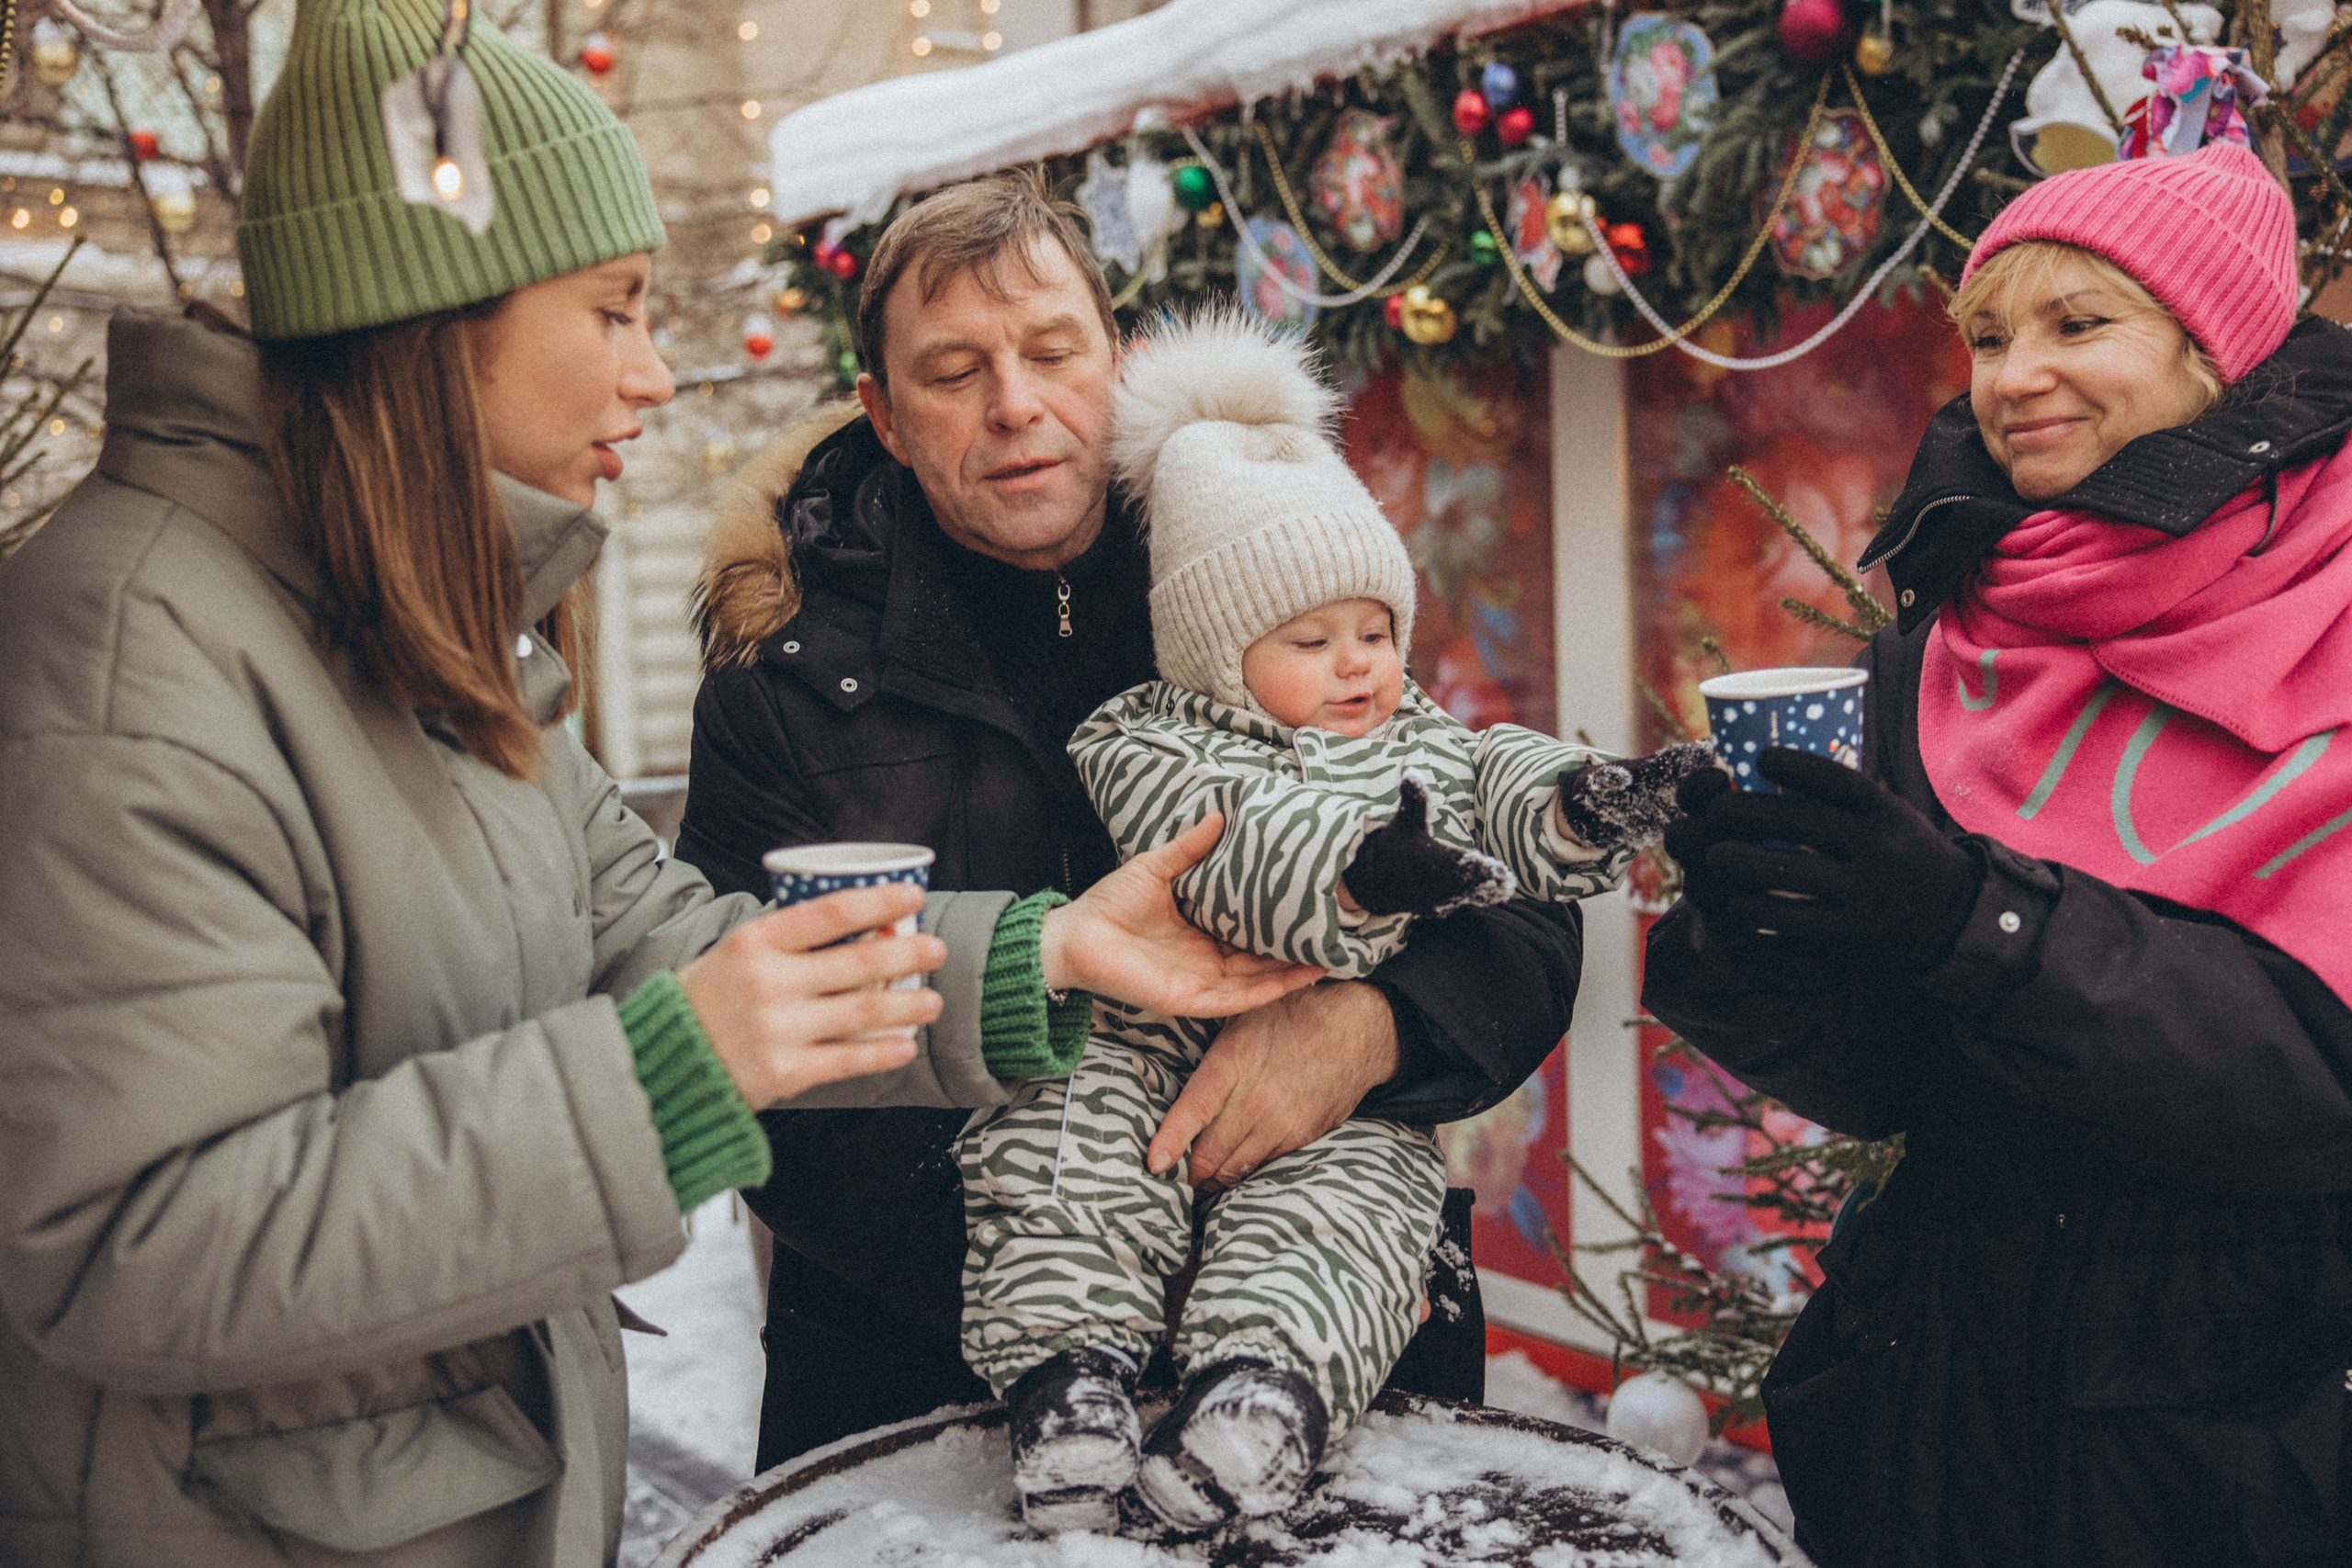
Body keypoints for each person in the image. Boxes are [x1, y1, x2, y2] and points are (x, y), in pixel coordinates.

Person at [0, 6, 1314, 1562]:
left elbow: (674, 941)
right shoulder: (124, 664)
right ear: (440, 317)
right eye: (615, 311)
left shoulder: (419, 628)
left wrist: (1034, 955)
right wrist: (670, 1077)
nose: (657, 374)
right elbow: (129, 1249)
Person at [682, 172, 1595, 1469]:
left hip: (1323, 1336)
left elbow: (1514, 906)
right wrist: (1078, 1275)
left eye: (1052, 351)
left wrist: (1373, 1029)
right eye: (952, 372)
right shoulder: (788, 691)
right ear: (883, 416)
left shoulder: (1258, 567)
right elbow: (766, 1074)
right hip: (931, 1380)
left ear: (1120, 357)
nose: (1015, 405)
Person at [1645, 141, 2352, 1567]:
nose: (2011, 376)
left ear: (2222, 348)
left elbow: (2316, 1090)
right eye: (1985, 335)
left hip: (2242, 1427)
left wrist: (1982, 924)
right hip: (1935, 1403)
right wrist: (1760, 931)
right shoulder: (1947, 649)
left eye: (2078, 324)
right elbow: (1895, 1080)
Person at [962, 310, 1708, 1532]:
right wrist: (1364, 877)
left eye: (1375, 629)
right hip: (1141, 1047)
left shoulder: (1409, 733)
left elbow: (1496, 783)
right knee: (1066, 1155)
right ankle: (1067, 1382)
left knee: (1354, 1201)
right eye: (1312, 640)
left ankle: (1261, 1401)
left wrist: (1578, 805)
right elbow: (1227, 852)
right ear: (1217, 648)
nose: (1360, 663)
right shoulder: (1147, 736)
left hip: (1335, 1082)